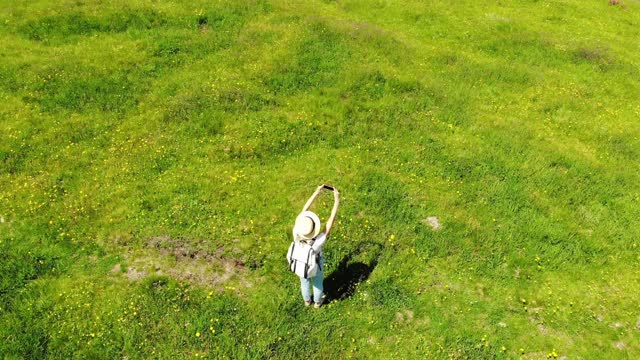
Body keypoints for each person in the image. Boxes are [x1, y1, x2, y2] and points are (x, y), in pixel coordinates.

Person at [292, 184, 340, 308]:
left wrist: (316, 192)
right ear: (314, 227)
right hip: (315, 265)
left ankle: (307, 301)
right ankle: (317, 303)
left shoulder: (296, 233)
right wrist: (337, 200)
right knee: (318, 284)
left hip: (301, 265)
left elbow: (304, 210)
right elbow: (330, 221)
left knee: (304, 282)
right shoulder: (318, 241)